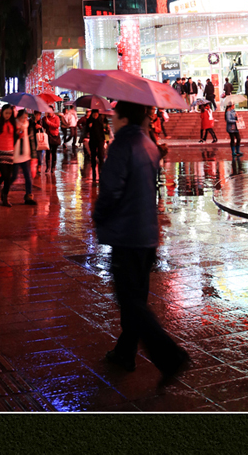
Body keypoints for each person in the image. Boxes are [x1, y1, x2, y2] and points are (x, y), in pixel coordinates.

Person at [93, 100, 189, 384]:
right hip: (147, 233)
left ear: (124, 118)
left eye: (114, 116)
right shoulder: (148, 144)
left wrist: (99, 215)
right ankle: (125, 352)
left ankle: (170, 356)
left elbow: (111, 189)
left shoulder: (122, 145)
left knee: (130, 300)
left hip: (127, 234)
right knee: (135, 298)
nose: (111, 121)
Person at [0, 104, 17, 206]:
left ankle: (3, 193)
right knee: (6, 176)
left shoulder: (13, 122)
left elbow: (16, 137)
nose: (8, 115)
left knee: (7, 176)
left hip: (10, 152)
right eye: (6, 113)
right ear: (2, 113)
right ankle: (4, 197)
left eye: (9, 113)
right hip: (0, 152)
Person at [10, 110, 37, 205]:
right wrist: (17, 133)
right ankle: (4, 191)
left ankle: (29, 196)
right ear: (18, 117)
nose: (24, 119)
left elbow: (32, 140)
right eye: (22, 117)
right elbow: (11, 140)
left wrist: (33, 155)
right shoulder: (13, 125)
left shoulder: (28, 126)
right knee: (13, 176)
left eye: (26, 117)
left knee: (28, 177)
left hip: (26, 155)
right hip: (15, 155)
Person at [87, 107, 107, 183]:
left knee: (101, 155)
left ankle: (101, 170)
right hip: (92, 140)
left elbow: (103, 131)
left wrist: (105, 139)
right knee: (93, 155)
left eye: (97, 114)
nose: (95, 115)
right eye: (94, 114)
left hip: (100, 140)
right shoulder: (89, 120)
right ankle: (94, 170)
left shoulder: (101, 120)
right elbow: (86, 130)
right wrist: (89, 126)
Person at [43, 109, 62, 174]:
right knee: (47, 152)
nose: (49, 112)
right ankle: (47, 167)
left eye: (51, 111)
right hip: (47, 137)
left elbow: (57, 125)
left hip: (54, 137)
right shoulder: (45, 118)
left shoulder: (56, 118)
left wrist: (48, 122)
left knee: (54, 152)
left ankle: (53, 167)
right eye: (48, 111)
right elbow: (43, 126)